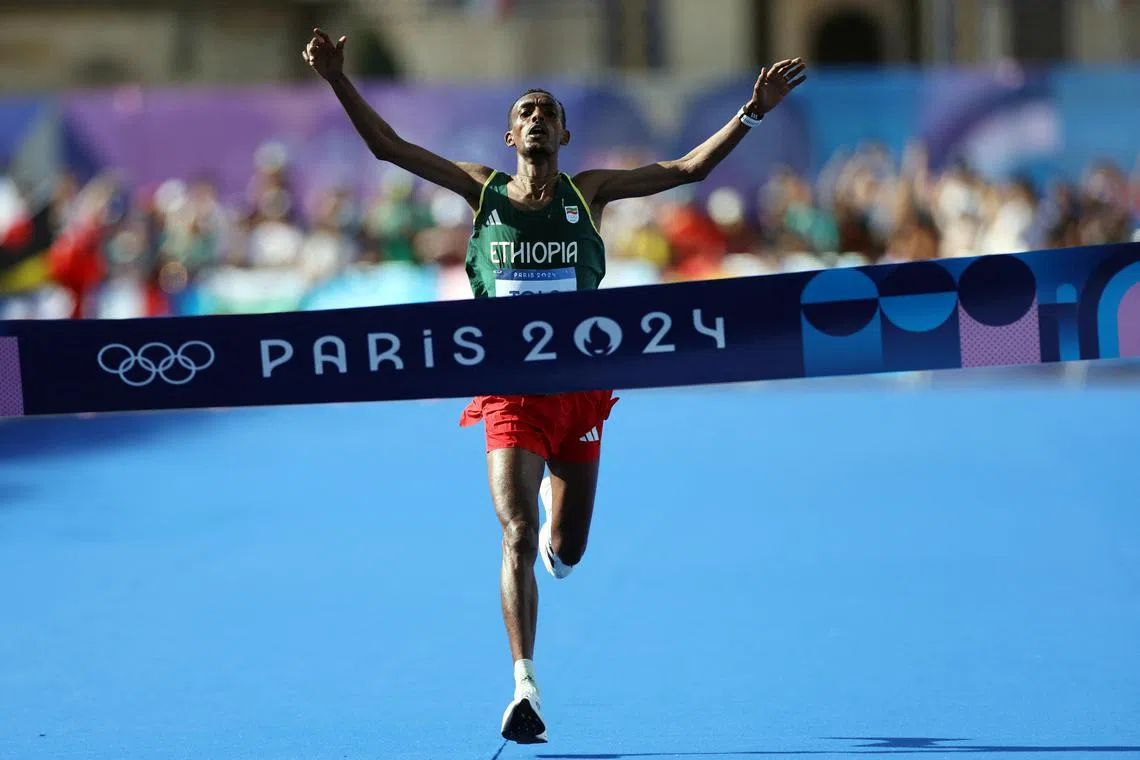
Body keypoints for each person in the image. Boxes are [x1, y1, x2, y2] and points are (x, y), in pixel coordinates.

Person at [302, 28, 806, 745]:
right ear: (510, 135)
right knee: (516, 533)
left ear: (565, 132)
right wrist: (336, 79)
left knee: (565, 551)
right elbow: (389, 147)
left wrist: (753, 111)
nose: (537, 117)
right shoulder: (481, 189)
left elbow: (688, 169)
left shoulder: (589, 192)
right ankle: (524, 686)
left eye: (547, 110)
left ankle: (552, 521)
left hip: (580, 396)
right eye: (525, 111)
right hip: (508, 393)